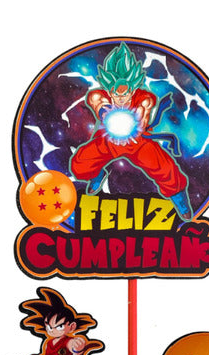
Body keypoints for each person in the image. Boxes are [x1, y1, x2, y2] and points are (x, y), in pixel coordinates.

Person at [69, 42, 193, 221]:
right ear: (109, 87)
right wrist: (104, 112)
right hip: (108, 140)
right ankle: (97, 175)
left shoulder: (143, 97)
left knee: (166, 168)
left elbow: (145, 105)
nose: (120, 98)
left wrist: (140, 116)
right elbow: (97, 101)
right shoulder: (100, 95)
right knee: (80, 164)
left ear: (133, 87)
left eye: (125, 93)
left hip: (137, 142)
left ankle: (179, 198)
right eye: (115, 93)